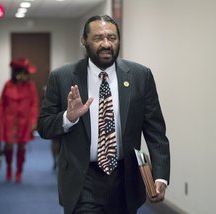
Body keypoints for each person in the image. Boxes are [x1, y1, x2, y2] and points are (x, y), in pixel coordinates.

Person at [37, 15, 170, 214]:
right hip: (83, 180)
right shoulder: (62, 77)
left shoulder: (141, 76)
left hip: (125, 178)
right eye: (99, 38)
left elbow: (155, 132)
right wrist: (69, 118)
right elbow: (44, 127)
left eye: (112, 38)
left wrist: (160, 177)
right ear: (84, 41)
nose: (106, 44)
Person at [0, 58, 39, 183]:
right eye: (24, 74)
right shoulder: (8, 85)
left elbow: (34, 104)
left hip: (24, 122)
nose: (26, 76)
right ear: (17, 74)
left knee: (21, 146)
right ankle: (9, 167)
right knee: (8, 146)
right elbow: (1, 104)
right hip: (9, 121)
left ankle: (19, 171)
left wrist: (33, 121)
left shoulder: (31, 86)